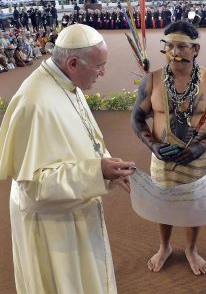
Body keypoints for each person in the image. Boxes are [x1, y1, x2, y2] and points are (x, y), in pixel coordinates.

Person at [0, 24, 136, 294]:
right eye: (99, 66)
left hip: (75, 208)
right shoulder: (34, 103)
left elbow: (84, 136)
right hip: (54, 228)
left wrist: (108, 167)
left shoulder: (65, 81)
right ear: (73, 63)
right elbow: (34, 187)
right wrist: (97, 173)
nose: (103, 73)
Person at [131, 20, 206, 275]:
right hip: (162, 158)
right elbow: (137, 118)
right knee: (162, 203)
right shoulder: (152, 80)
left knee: (193, 204)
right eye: (169, 46)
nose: (175, 52)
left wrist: (200, 148)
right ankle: (164, 246)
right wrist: (153, 145)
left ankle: (191, 248)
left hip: (196, 159)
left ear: (195, 49)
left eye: (182, 47)